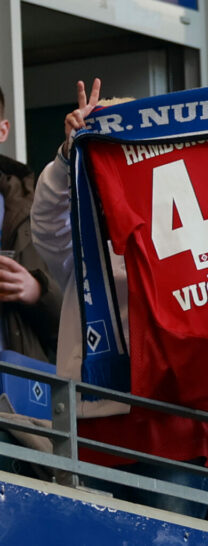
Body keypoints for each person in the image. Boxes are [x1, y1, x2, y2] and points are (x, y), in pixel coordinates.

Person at [30, 78, 208, 518]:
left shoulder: (192, 226)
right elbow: (45, 224)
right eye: (102, 150)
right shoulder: (82, 242)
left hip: (179, 430)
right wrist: (66, 156)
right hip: (95, 430)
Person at [0, 83, 64, 476]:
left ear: (2, 130)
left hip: (23, 416)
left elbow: (73, 324)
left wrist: (35, 290)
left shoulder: (34, 203)